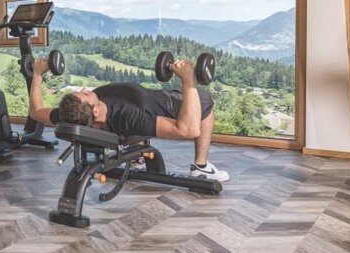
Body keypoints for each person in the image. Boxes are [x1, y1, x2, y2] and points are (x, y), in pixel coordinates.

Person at [28, 57, 229, 182]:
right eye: (85, 94)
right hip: (167, 104)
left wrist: (37, 74)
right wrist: (188, 80)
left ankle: (138, 158)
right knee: (206, 102)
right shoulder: (129, 117)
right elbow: (188, 130)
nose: (84, 89)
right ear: (95, 112)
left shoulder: (71, 114)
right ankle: (201, 167)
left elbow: (36, 112)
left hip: (152, 97)